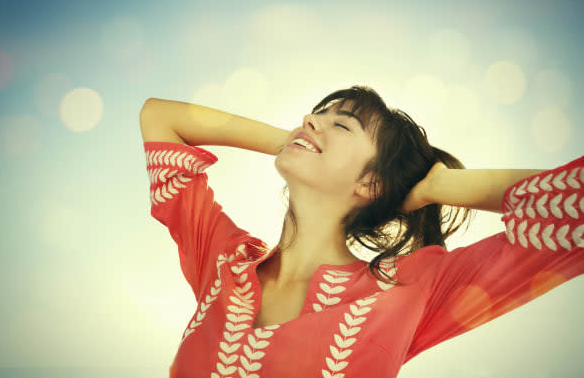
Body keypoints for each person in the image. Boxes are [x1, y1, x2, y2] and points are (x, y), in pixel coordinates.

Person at [139, 85, 584, 378]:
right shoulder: (222, 259)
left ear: (371, 183)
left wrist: (439, 186)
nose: (311, 119)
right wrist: (298, 139)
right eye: (315, 113)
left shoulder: (410, 288)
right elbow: (159, 116)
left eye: (342, 124)